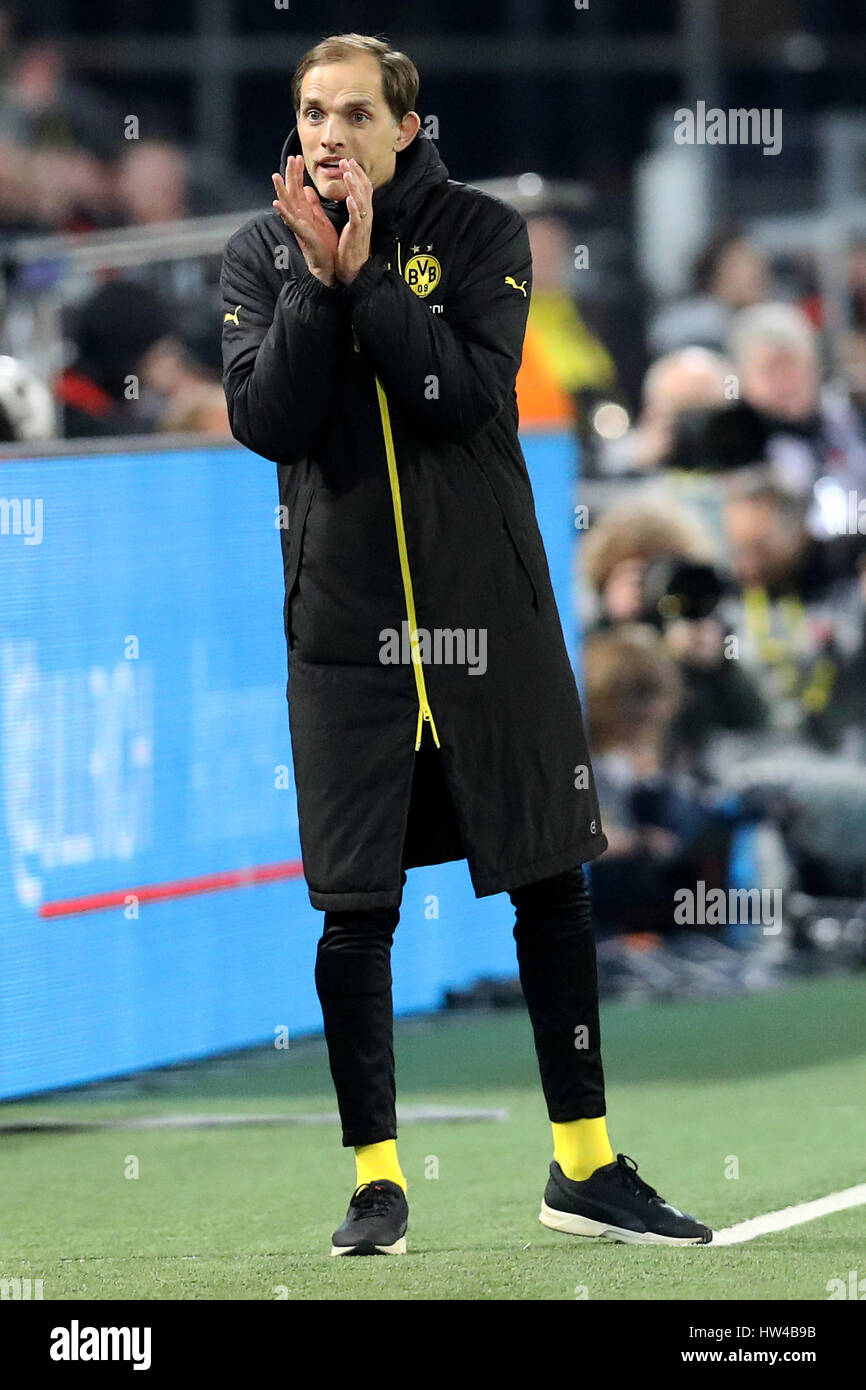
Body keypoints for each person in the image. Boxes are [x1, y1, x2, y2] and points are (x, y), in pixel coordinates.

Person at [221, 31, 712, 1254]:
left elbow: (459, 402)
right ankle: (377, 1181)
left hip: (490, 626)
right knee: (354, 914)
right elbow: (265, 415)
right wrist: (313, 284)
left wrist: (369, 279)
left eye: (348, 114)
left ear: (401, 128)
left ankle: (583, 1164)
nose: (323, 135)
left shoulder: (484, 236)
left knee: (551, 882)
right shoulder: (255, 252)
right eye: (307, 113)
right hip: (343, 645)